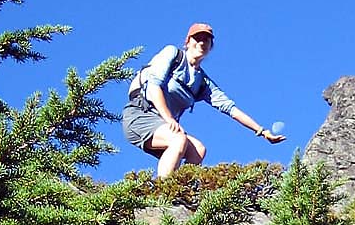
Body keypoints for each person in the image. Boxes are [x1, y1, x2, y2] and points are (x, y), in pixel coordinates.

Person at [122, 23, 286, 178]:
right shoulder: (173, 54)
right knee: (178, 139)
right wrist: (169, 118)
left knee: (198, 151)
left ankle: (180, 189)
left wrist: (262, 131)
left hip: (163, 123)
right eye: (197, 38)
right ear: (187, 42)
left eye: (206, 40)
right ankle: (163, 192)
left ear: (210, 46)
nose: (201, 42)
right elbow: (153, 87)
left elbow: (230, 109)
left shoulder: (202, 81)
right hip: (141, 113)